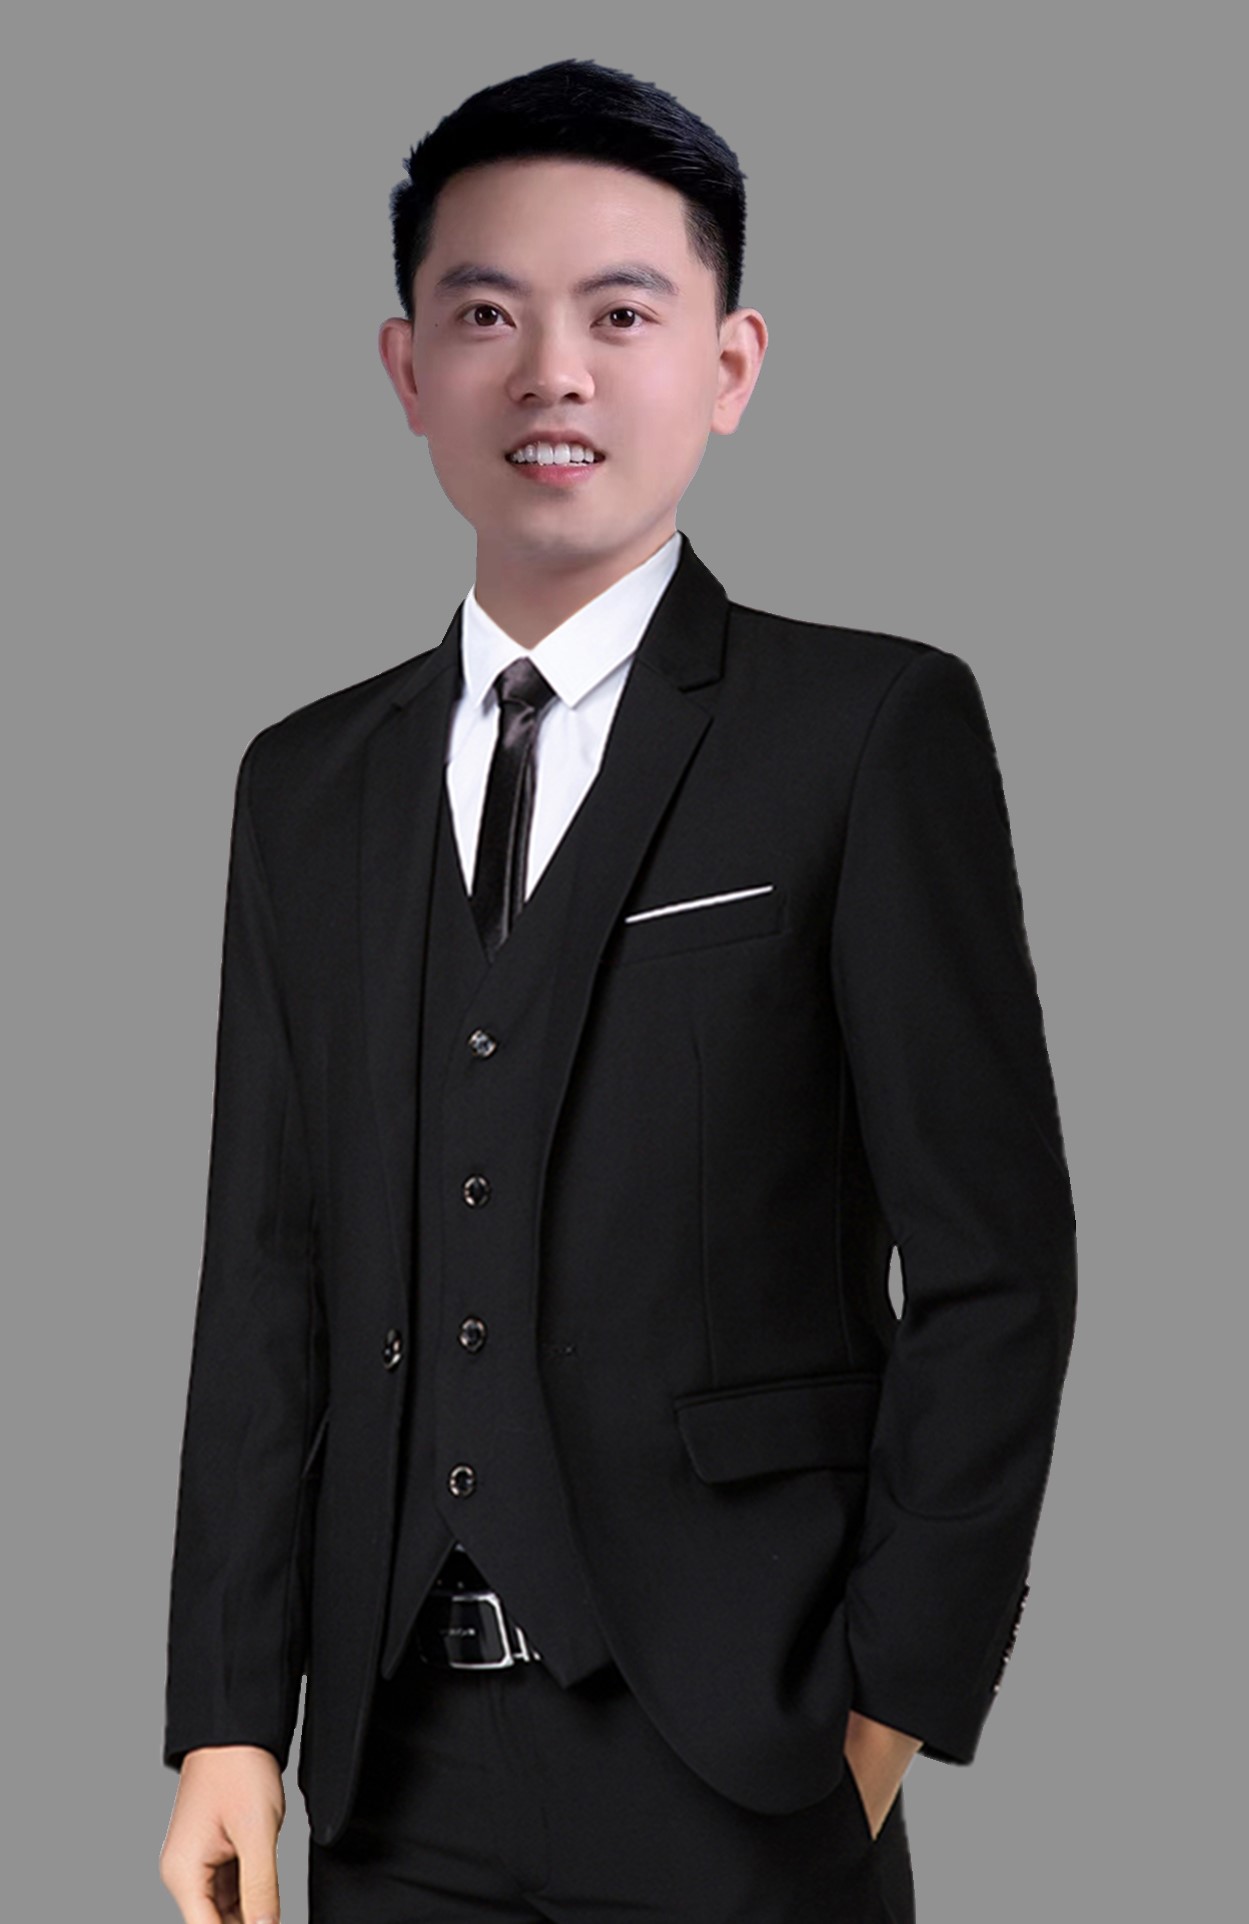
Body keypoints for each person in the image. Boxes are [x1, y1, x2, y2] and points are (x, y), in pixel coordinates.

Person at [159, 56, 1077, 1924]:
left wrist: (894, 1695)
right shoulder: (301, 784)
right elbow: (264, 1279)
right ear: (408, 368)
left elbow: (995, 1260)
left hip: (744, 1749)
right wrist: (228, 1720)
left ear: (729, 365)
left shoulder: (865, 728)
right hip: (392, 1772)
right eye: (484, 313)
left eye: (621, 314)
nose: (551, 372)